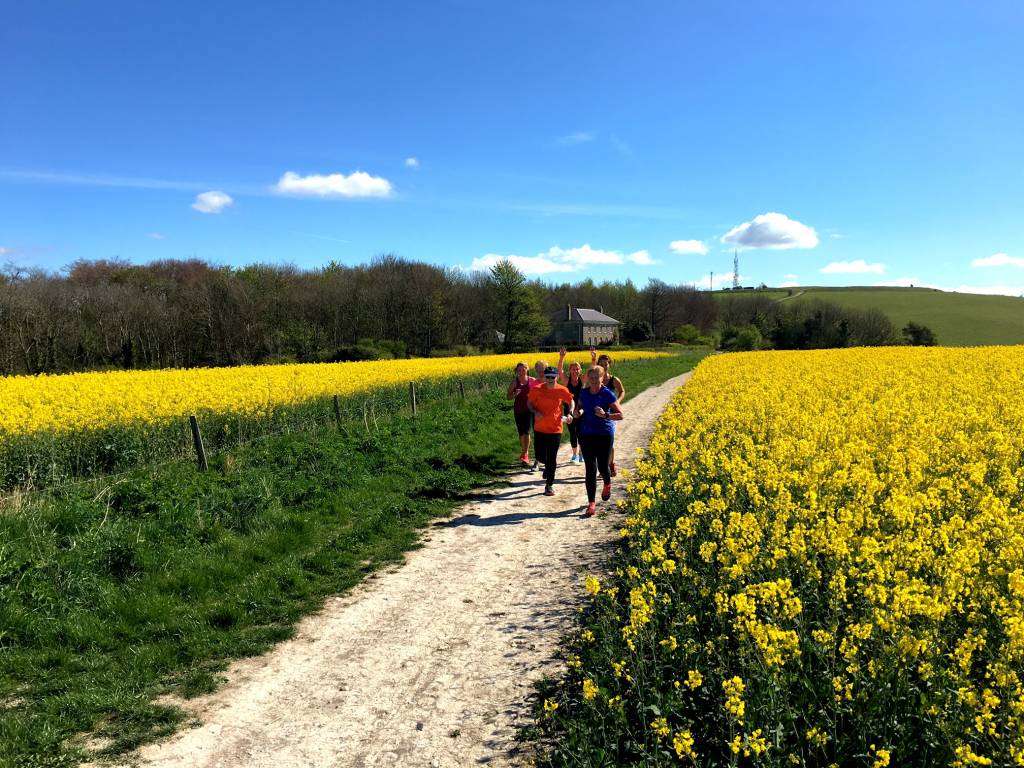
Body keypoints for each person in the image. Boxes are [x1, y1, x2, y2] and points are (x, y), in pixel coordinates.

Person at [575, 364, 623, 517]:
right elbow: (580, 407)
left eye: (597, 377)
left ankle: (607, 483)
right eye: (591, 377)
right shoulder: (584, 393)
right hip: (586, 434)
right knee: (590, 468)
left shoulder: (607, 394)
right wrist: (577, 412)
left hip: (604, 434)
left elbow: (620, 415)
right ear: (588, 378)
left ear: (603, 378)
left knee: (603, 466)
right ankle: (591, 503)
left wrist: (605, 415)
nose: (594, 380)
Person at [527, 365, 574, 496]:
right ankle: (547, 466)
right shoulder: (537, 389)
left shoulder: (562, 389)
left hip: (555, 429)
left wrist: (570, 413)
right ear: (544, 377)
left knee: (552, 457)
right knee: (540, 456)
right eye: (548, 377)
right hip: (540, 428)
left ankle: (549, 485)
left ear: (557, 377)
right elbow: (529, 403)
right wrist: (535, 411)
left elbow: (571, 401)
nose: (550, 379)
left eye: (553, 377)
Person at [590, 348, 625, 476]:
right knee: (597, 443)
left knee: (609, 442)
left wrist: (617, 402)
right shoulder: (594, 379)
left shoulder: (613, 380)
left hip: (610, 415)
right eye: (602, 364)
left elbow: (622, 391)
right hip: (595, 414)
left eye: (606, 364)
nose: (604, 366)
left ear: (609, 365)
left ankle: (610, 465)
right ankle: (604, 466)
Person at [506, 362, 538, 466]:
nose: (521, 372)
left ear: (527, 369)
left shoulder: (532, 380)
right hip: (518, 410)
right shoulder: (514, 382)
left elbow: (539, 392)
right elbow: (508, 397)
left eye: (523, 369)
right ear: (517, 371)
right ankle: (523, 451)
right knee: (521, 432)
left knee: (527, 431)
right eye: (519, 370)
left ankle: (526, 454)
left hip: (529, 409)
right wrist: (514, 394)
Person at [560, 360, 585, 463]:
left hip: (581, 411)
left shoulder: (582, 380)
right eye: (573, 369)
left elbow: (591, 370)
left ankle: (581, 454)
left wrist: (593, 359)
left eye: (577, 369)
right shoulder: (567, 381)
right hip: (569, 411)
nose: (575, 371)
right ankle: (575, 455)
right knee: (572, 433)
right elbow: (560, 371)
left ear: (580, 370)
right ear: (570, 370)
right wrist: (561, 358)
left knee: (581, 433)